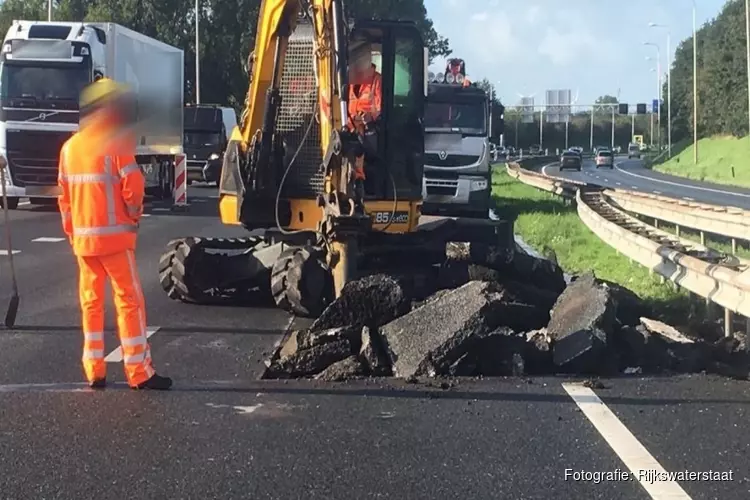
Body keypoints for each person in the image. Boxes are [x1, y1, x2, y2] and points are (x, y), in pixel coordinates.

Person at [57, 78, 172, 390]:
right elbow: (133, 188)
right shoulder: (116, 143)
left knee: (91, 303)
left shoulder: (69, 149)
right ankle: (139, 371)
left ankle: (95, 370)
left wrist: (72, 233)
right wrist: (133, 217)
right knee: (129, 301)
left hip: (84, 243)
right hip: (115, 241)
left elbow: (64, 199)